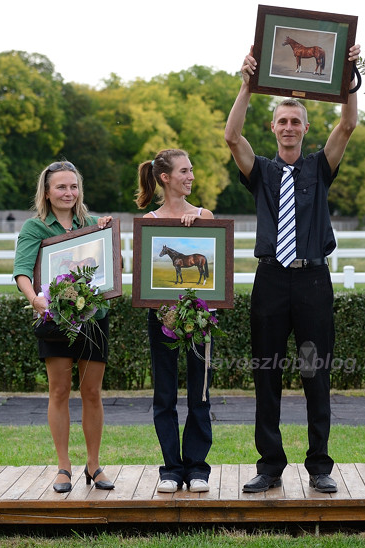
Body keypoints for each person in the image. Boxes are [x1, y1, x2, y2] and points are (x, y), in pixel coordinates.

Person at [224, 43, 361, 494]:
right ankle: (270, 466)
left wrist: (349, 77)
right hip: (270, 280)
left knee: (314, 373)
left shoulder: (320, 167)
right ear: (273, 126)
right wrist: (246, 86)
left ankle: (320, 465)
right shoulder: (261, 171)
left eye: (295, 121)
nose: (288, 127)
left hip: (312, 280)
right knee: (267, 375)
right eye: (282, 121)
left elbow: (348, 123)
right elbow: (231, 137)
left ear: (304, 128)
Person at [13, 161, 115, 493]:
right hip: (55, 321)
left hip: (94, 321)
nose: (68, 192)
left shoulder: (93, 224)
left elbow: (112, 269)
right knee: (58, 392)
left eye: (73, 186)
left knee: (92, 393)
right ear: (47, 191)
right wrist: (34, 299)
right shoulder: (35, 228)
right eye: (61, 187)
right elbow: (23, 272)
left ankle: (94, 465)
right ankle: (63, 467)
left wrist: (107, 235)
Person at [136, 148, 215, 494]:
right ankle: (171, 469)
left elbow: (216, 269)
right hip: (162, 320)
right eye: (184, 171)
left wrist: (197, 229)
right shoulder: (151, 224)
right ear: (165, 178)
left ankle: (197, 467)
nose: (191, 176)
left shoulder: (205, 215)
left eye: (192, 170)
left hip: (201, 320)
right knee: (164, 395)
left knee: (199, 394)